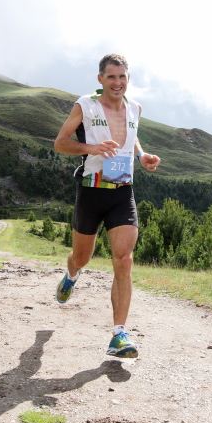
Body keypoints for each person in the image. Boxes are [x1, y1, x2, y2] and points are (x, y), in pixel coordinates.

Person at [53, 53, 161, 359]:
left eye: (122, 76)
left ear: (128, 79)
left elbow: (132, 138)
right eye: (111, 77)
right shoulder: (85, 105)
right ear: (100, 79)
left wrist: (141, 156)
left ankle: (119, 335)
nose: (117, 83)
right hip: (91, 191)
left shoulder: (135, 108)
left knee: (124, 260)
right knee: (82, 257)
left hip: (122, 193)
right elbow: (60, 142)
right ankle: (71, 274)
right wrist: (92, 148)